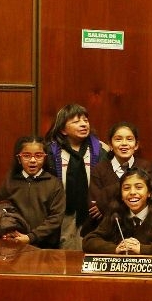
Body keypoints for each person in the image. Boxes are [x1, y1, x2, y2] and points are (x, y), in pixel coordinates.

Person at [82, 167, 152, 256]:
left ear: (149, 192)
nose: (132, 192)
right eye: (126, 188)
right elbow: (89, 240)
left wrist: (141, 249)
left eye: (139, 187)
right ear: (121, 196)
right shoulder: (116, 214)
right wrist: (115, 249)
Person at [45, 103, 107, 248]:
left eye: (85, 120)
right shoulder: (50, 152)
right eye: (76, 121)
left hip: (93, 214)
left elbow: (110, 182)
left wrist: (103, 204)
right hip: (60, 213)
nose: (83, 124)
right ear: (63, 129)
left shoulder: (101, 149)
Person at [0, 136, 66, 248]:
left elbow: (56, 218)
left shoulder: (54, 183)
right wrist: (9, 229)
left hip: (46, 246)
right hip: (15, 242)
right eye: (26, 156)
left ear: (45, 158)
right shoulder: (10, 181)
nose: (33, 160)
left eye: (38, 155)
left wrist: (31, 237)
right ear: (19, 158)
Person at [88, 122, 152, 226]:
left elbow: (149, 200)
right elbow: (97, 205)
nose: (124, 143)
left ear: (136, 145)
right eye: (118, 139)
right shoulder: (99, 169)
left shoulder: (145, 167)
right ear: (110, 145)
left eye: (129, 139)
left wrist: (108, 197)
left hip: (139, 224)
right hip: (107, 225)